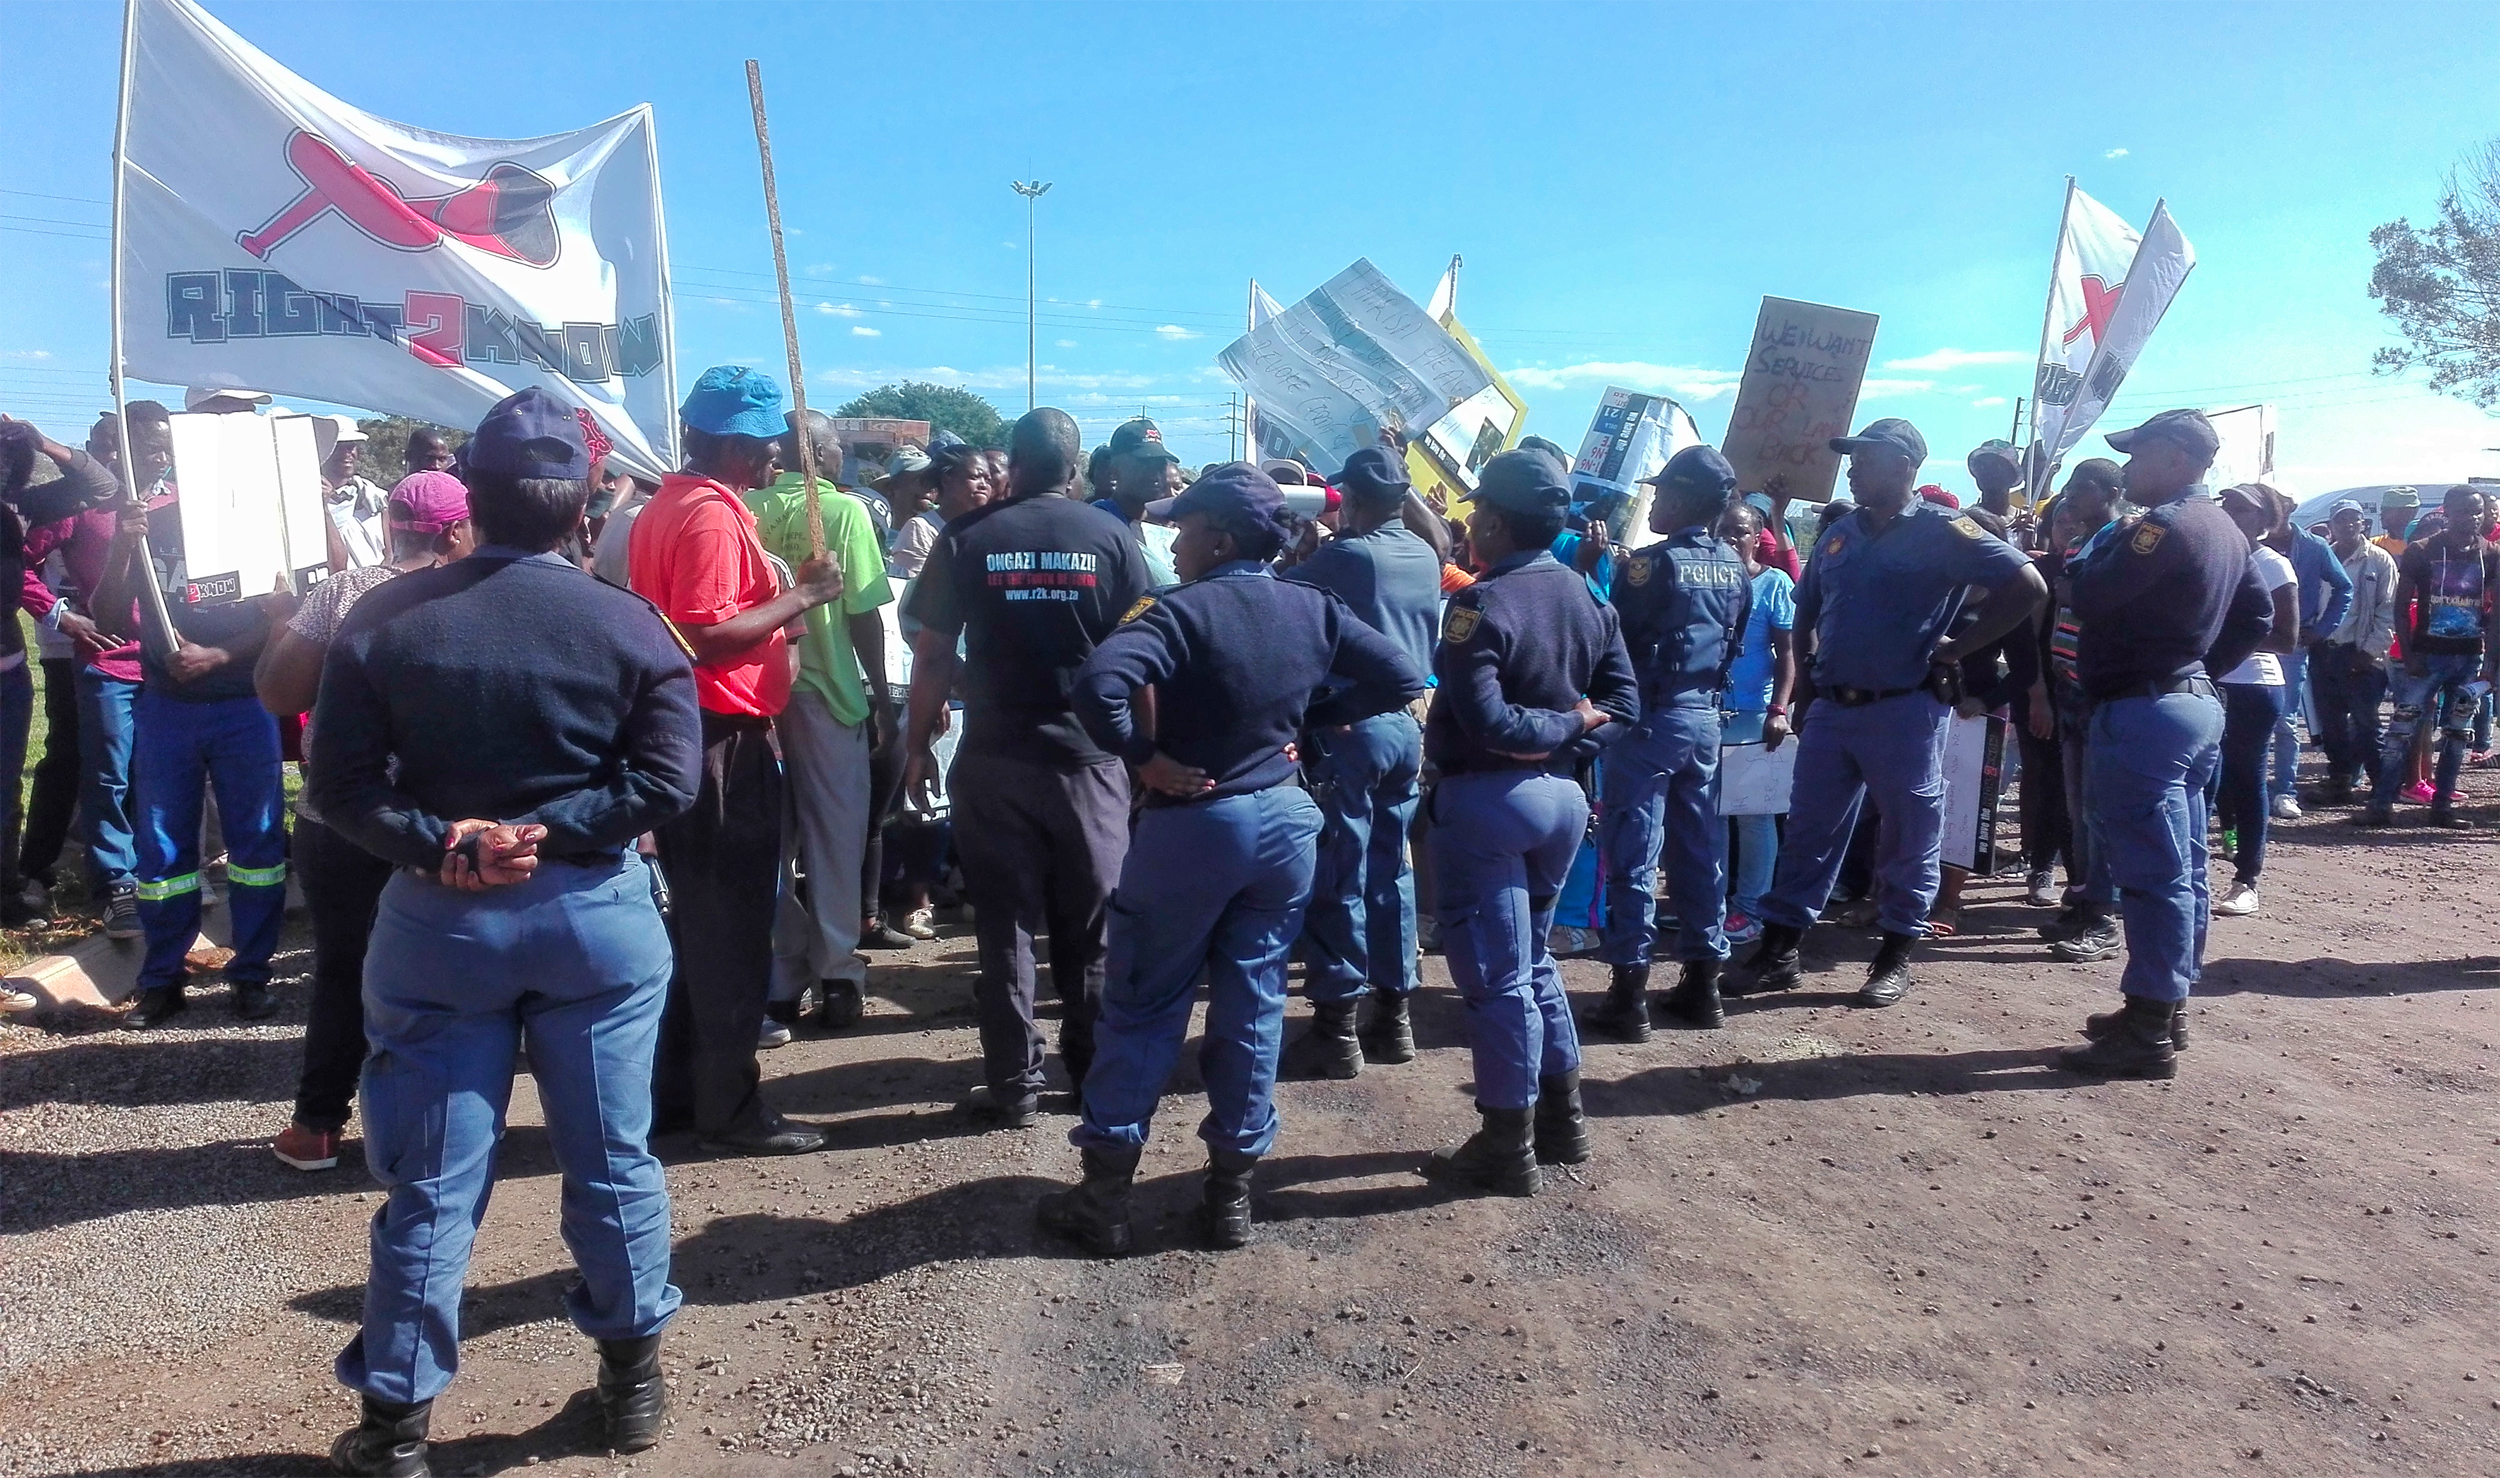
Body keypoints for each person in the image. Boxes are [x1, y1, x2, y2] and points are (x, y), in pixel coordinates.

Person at [311, 388, 698, 1474]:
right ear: (585, 500)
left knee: (434, 1178)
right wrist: (551, 831)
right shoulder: (630, 623)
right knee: (612, 1154)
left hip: (444, 919)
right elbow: (669, 781)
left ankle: (395, 1426)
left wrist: (451, 841)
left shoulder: (385, 619)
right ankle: (630, 1384)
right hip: (592, 921)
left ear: (468, 497)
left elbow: (337, 785)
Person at [1035, 463, 1424, 1255]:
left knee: (1144, 1003)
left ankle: (1106, 1197)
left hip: (1195, 821)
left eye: (1185, 527)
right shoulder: (1312, 604)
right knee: (1253, 1001)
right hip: (1283, 822)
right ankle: (1230, 1197)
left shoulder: (1176, 610)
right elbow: (1402, 675)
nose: (1175, 541)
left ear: (1219, 538)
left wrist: (1143, 758)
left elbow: (1099, 685)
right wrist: (1311, 720)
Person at [1728, 419, 2044, 1009]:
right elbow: (1807, 609)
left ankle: (1895, 955)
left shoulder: (1947, 529)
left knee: (1909, 834)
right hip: (1833, 709)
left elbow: (2028, 585)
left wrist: (1956, 650)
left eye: (1865, 459)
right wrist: (1805, 694)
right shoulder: (1839, 533)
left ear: (1904, 466)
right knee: (1808, 833)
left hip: (1905, 711)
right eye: (1852, 460)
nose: (1852, 470)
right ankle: (1780, 951)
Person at [901, 408, 1150, 1127]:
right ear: (1076, 467)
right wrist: (1145, 752)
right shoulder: (1112, 538)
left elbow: (931, 653)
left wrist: (915, 746)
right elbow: (1144, 655)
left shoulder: (967, 536)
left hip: (995, 758)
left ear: (1012, 463)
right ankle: (1093, 1075)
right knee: (1091, 924)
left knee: (1004, 925)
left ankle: (1014, 1085)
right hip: (1088, 762)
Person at [630, 366, 845, 1156]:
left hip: (689, 730)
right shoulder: (711, 517)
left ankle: (681, 1096)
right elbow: (704, 635)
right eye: (765, 445)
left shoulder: (667, 504)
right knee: (729, 929)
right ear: (730, 446)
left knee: (698, 929)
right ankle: (729, 1106)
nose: (776, 458)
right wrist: (804, 598)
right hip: (719, 737)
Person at [1419, 450, 1640, 1197]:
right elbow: (1624, 704)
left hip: (1490, 803)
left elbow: (1485, 721)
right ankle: (1562, 1121)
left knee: (1497, 977)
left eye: (1479, 511)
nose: (1472, 523)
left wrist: (1556, 729)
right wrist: (1575, 732)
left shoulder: (1482, 604)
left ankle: (1506, 1144)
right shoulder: (1586, 595)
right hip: (1561, 801)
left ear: (1494, 521)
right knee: (1532, 960)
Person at [256, 472, 475, 1173]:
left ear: (389, 527)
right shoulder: (473, 593)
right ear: (457, 531)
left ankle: (317, 1126)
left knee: (344, 971)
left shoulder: (341, 592)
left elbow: (278, 693)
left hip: (339, 816)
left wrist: (280, 620)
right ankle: (437, 1131)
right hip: (434, 820)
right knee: (446, 973)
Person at [2057, 410, 2273, 1079]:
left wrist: (2083, 555)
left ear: (2177, 458)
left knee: (2153, 873)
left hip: (2145, 712)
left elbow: (2091, 595)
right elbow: (2257, 614)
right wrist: (2197, 664)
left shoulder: (2162, 526)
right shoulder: (2227, 528)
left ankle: (2149, 1023)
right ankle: (2166, 1004)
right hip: (2188, 704)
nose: (2128, 467)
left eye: (2139, 453)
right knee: (2184, 867)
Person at [93, 400, 292, 1028]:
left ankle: (251, 973)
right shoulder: (147, 523)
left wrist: (220, 654)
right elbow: (105, 616)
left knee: (256, 844)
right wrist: (124, 547)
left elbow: (288, 614)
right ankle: (161, 978)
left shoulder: (256, 523)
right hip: (168, 709)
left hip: (243, 705)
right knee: (161, 851)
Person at [1275, 445, 1442, 1077]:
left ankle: (1337, 1025)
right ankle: (1394, 1017)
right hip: (1405, 728)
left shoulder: (1349, 555)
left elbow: (1277, 599)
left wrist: (1298, 553)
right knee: (1391, 871)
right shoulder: (1422, 553)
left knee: (1340, 874)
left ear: (1356, 500)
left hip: (1351, 725)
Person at [1583, 446, 1750, 1039]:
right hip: (1705, 718)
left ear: (1683, 498)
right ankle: (1704, 985)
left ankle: (1629, 992)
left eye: (1661, 492)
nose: (1653, 502)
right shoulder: (1734, 564)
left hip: (1652, 719)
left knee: (1633, 851)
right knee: (1700, 851)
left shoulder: (1651, 565)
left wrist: (1589, 573)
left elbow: (1611, 639)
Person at [749, 409, 896, 1038]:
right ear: (816, 452)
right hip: (829, 697)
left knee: (771, 847)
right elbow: (863, 613)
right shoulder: (843, 512)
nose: (842, 457)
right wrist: (882, 696)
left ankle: (783, 976)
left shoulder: (744, 508)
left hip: (758, 699)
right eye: (835, 446)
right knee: (836, 841)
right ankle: (837, 973)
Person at [5, 416, 122, 921]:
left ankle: (13, 890)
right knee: (65, 757)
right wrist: (59, 615)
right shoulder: (38, 509)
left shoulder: (26, 506)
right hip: (56, 653)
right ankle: (34, 869)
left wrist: (44, 442)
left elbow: (102, 484)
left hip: (13, 670)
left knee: (9, 788)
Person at [2033, 461, 2129, 963]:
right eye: (2069, 486)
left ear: (2111, 491)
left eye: (2082, 487)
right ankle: (2085, 901)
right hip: (2068, 687)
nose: (2070, 496)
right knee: (2078, 808)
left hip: (2098, 691)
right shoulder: (2077, 544)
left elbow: (2099, 603)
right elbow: (2063, 603)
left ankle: (2103, 917)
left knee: (2097, 809)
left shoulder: (2124, 538)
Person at [2363, 483, 2500, 828]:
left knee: (2457, 734)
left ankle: (2442, 807)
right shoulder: (2422, 550)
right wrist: (2409, 654)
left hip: (2469, 658)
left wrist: (2489, 664)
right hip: (2426, 657)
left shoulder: (2491, 554)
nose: (2473, 518)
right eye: (2465, 511)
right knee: (2401, 731)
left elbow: (2496, 611)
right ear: (2447, 513)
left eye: (2478, 511)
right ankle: (2381, 805)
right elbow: (2400, 606)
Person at [2211, 485, 2300, 916]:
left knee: (2245, 778)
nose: (2230, 512)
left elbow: (2286, 638)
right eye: (2226, 505)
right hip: (2206, 681)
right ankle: (2215, 851)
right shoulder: (2213, 555)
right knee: (2208, 778)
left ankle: (2246, 880)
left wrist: (2221, 636)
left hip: (2253, 686)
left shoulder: (2272, 565)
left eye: (2242, 509)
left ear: (2265, 520)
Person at [1714, 500, 1795, 946]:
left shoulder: (1774, 583)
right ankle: (1712, 904)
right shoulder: (1706, 578)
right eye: (1723, 530)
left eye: (1740, 531)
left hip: (1752, 716)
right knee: (1709, 817)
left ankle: (1750, 909)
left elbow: (1787, 654)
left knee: (1753, 817)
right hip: (1707, 713)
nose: (1730, 538)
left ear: (1756, 537)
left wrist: (1778, 710)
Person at [2267, 490, 2353, 820]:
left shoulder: (2313, 546)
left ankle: (2284, 791)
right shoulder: (2248, 542)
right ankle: (2236, 790)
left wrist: (2322, 629)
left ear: (2290, 509)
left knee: (2285, 721)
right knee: (2238, 717)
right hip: (2248, 641)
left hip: (2293, 643)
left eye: (2279, 506)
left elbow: (2344, 587)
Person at [2312, 499, 2399, 804]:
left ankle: (2382, 789)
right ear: (2332, 525)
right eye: (2341, 519)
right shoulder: (2323, 557)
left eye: (2354, 519)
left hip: (2360, 652)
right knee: (2331, 724)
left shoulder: (2379, 560)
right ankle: (2340, 783)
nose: (2348, 524)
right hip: (2324, 651)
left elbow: (2389, 611)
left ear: (2364, 523)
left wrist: (2370, 652)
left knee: (2367, 725)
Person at [1097, 417, 1185, 586]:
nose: (1155, 473)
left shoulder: (1169, 526)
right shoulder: (1100, 523)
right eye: (1144, 463)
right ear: (1114, 470)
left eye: (1160, 464)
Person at [887, 442, 993, 581]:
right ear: (946, 479)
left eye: (988, 480)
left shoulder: (990, 529)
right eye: (974, 477)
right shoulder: (921, 529)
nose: (983, 485)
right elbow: (913, 588)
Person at [317, 416, 387, 568]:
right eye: (338, 446)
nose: (346, 453)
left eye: (351, 446)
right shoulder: (307, 500)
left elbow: (390, 554)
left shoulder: (374, 497)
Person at [1967, 439, 2025, 519]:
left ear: (2012, 476)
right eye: (1982, 465)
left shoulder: (2029, 521)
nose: (1989, 472)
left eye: (1997, 467)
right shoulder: (1964, 520)